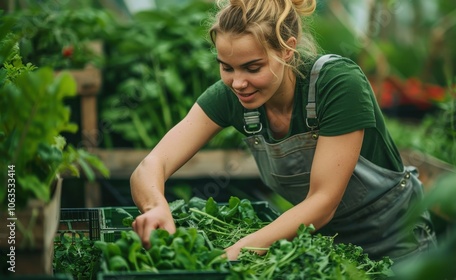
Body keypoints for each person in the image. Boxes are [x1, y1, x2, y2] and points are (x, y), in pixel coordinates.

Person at [130, 0, 437, 264]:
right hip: (325, 252)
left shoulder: (338, 84)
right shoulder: (231, 98)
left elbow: (323, 202)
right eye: (226, 67)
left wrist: (235, 252)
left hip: (398, 248)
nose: (238, 82)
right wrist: (156, 207)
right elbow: (150, 166)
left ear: (288, 50)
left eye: (253, 68)